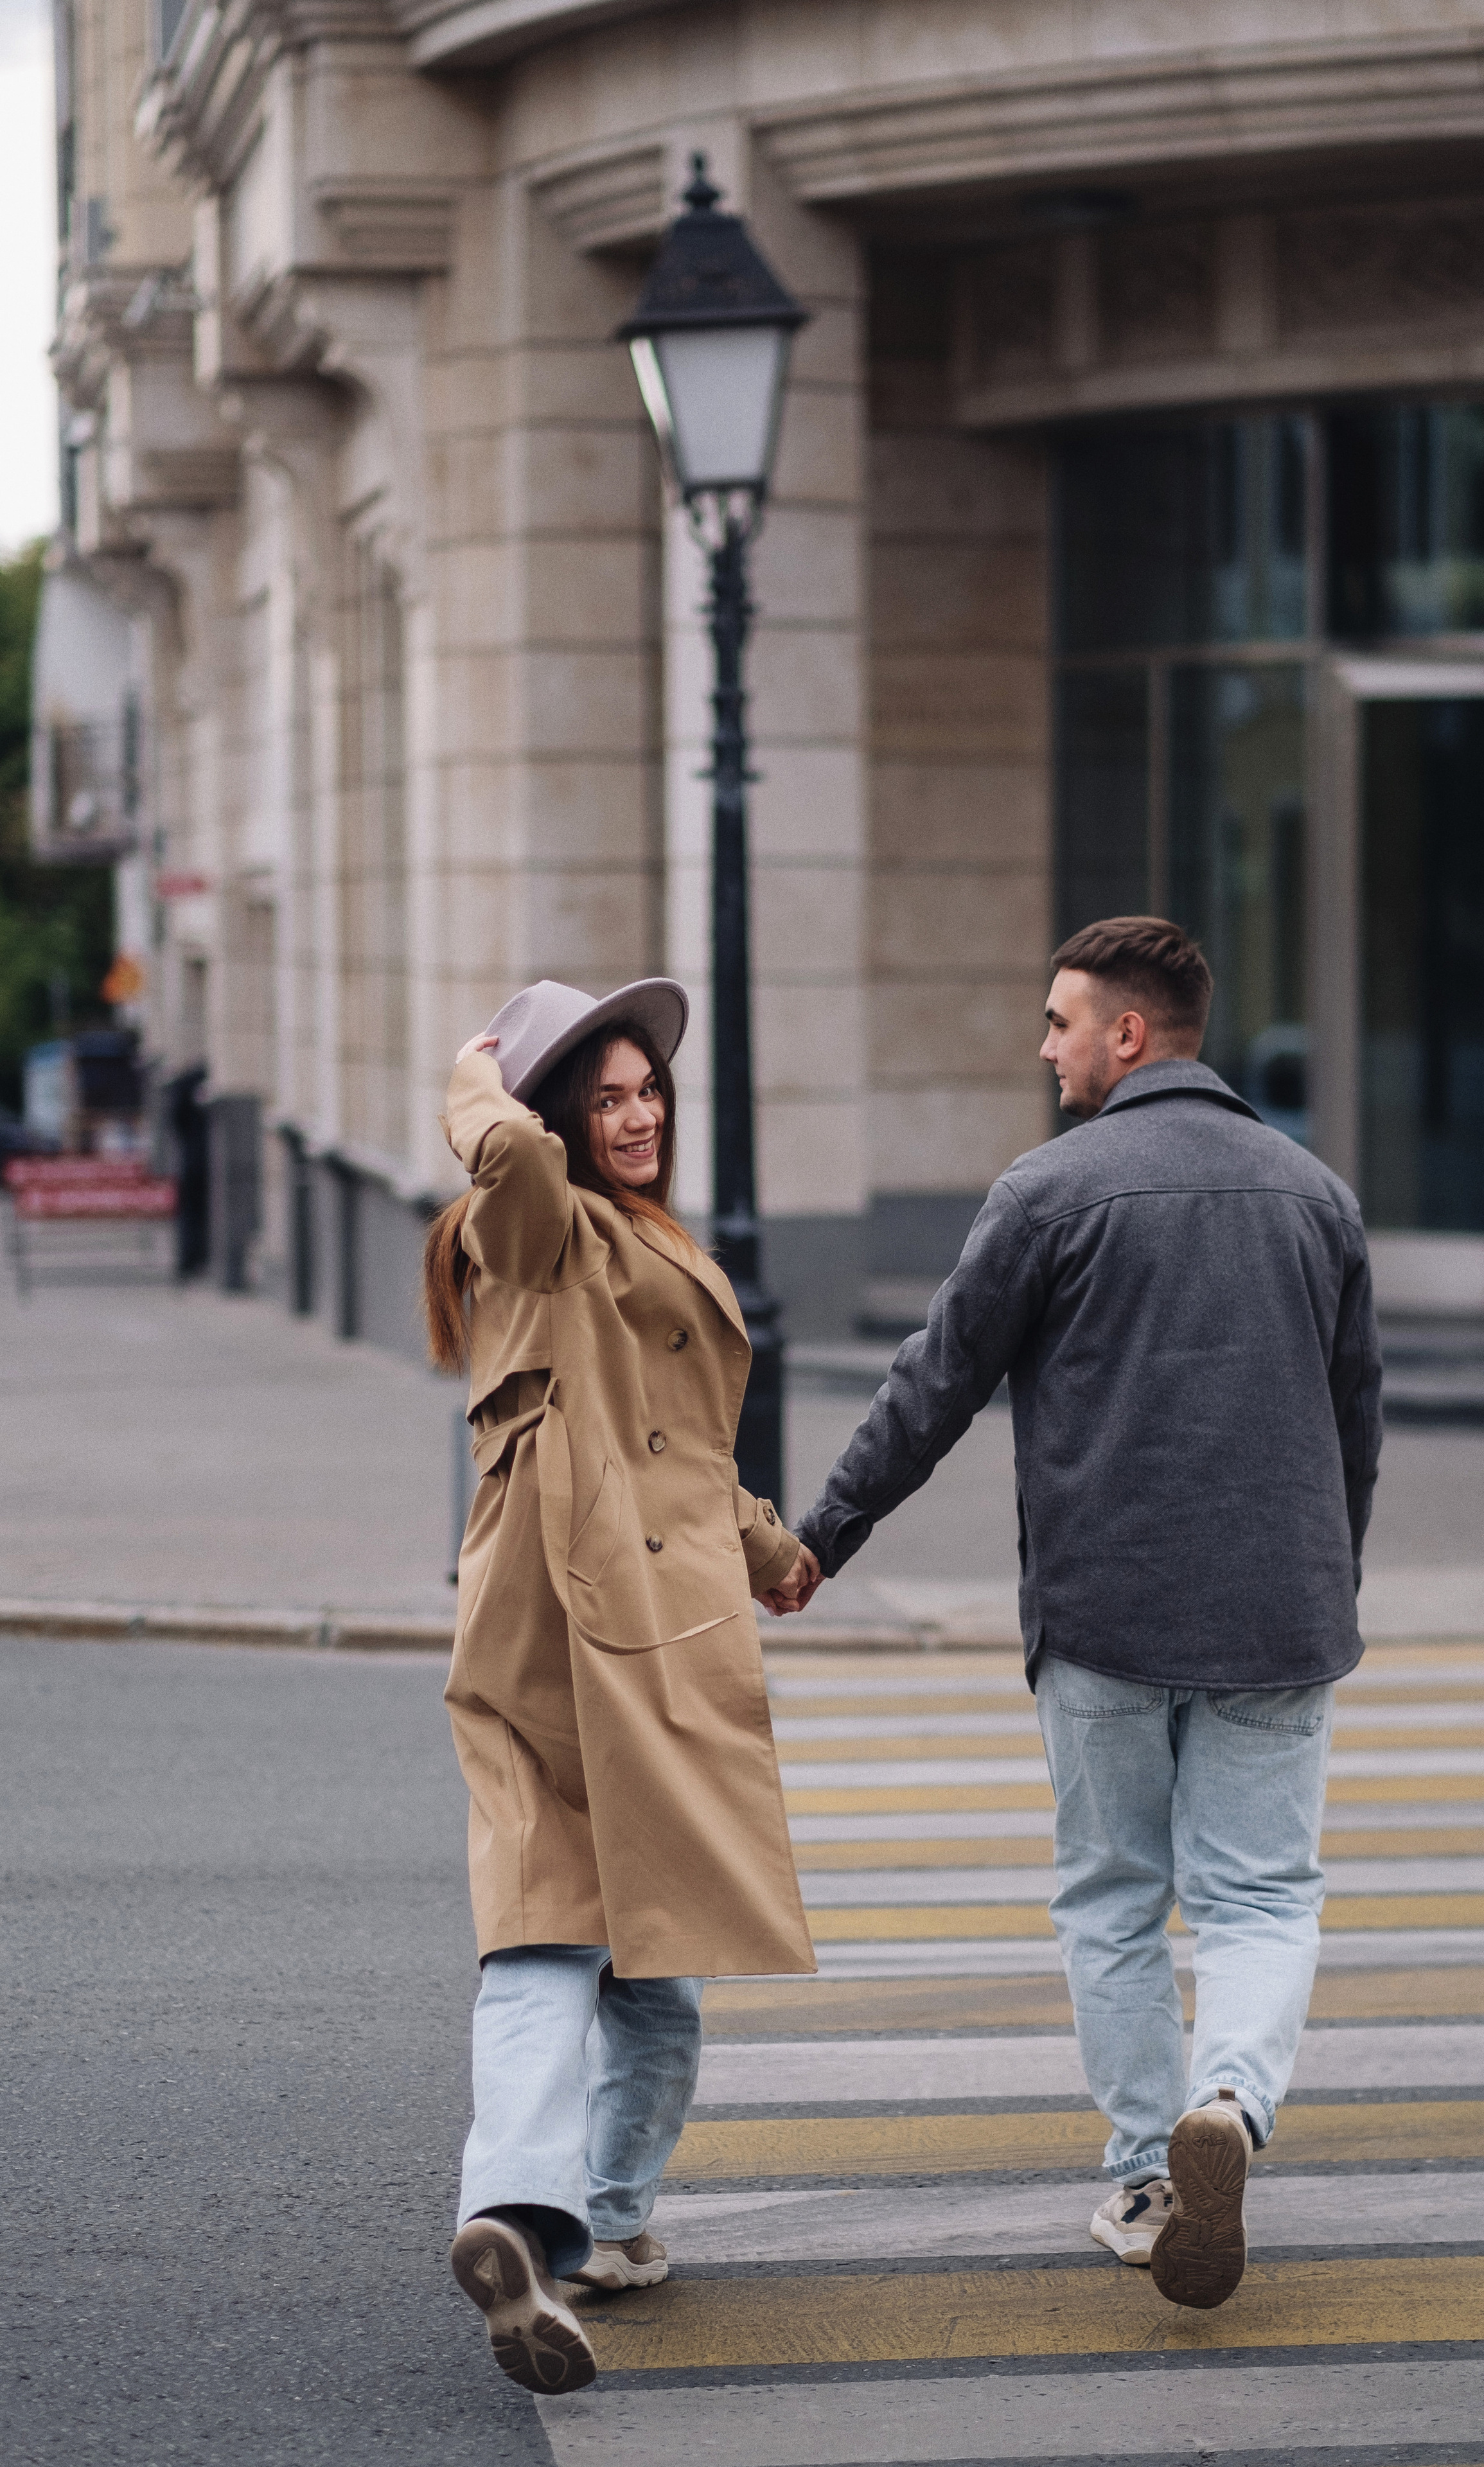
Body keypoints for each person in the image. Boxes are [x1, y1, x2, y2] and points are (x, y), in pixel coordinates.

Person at [783, 916, 1381, 2312]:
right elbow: (1354, 1423)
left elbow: (933, 1386)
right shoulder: (1317, 1196)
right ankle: (1228, 2104)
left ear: (1128, 1033)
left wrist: (821, 1538)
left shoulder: (1047, 1193)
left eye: (1060, 1022)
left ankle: (1148, 2177)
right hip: (1277, 1613)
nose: (1044, 1047)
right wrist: (1324, 1578)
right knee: (1260, 1895)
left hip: (1103, 1614)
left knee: (1113, 1899)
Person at [422, 974, 820, 2399]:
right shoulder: (536, 1227)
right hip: (607, 1623)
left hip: (554, 1615)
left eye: (649, 1090)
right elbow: (518, 1170)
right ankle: (584, 2211)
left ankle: (538, 2215)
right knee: (628, 1951)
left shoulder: (615, 1236)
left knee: (567, 1936)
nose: (640, 1115)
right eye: (605, 1098)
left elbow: (670, 1443)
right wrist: (472, 1083)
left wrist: (768, 1545)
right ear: (546, 1116)